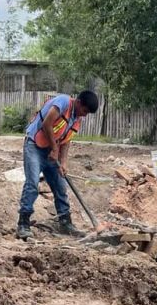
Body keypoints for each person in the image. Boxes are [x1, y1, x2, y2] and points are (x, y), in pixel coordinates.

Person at [16, 90, 99, 239]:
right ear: (79, 102)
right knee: (33, 183)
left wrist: (64, 163)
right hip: (34, 145)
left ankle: (65, 223)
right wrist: (55, 149)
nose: (84, 115)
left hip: (51, 152)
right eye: (84, 111)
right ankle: (23, 223)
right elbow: (47, 123)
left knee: (60, 186)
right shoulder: (62, 102)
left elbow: (66, 141)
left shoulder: (76, 118)